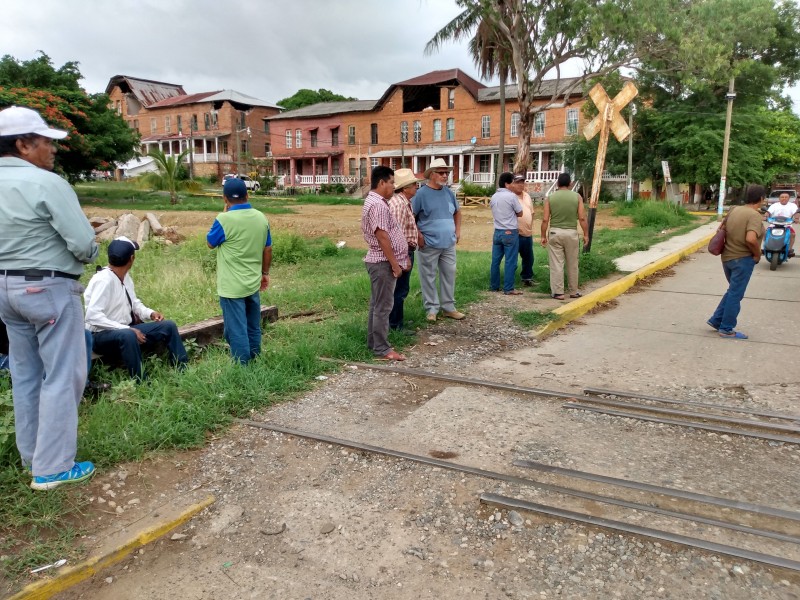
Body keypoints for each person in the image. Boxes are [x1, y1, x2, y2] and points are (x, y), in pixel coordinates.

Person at [0, 105, 98, 490]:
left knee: (25, 374)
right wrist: (90, 252)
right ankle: (54, 467)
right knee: (63, 374)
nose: (52, 149)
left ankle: (32, 457)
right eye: (45, 142)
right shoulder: (47, 184)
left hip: (5, 289)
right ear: (23, 144)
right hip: (49, 288)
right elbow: (82, 243)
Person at [85, 237, 188, 379]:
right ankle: (140, 379)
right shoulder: (103, 280)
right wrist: (127, 329)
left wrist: (150, 313)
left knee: (168, 326)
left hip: (126, 329)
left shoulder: (125, 277)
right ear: (131, 259)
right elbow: (92, 316)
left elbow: (134, 303)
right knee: (128, 335)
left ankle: (182, 368)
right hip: (100, 336)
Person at [207, 177, 272, 364]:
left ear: (225, 199)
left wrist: (224, 212)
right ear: (247, 194)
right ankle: (255, 359)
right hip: (253, 282)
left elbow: (210, 243)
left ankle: (243, 368)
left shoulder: (223, 220)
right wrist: (265, 273)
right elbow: (267, 249)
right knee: (252, 326)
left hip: (231, 287)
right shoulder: (261, 217)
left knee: (236, 330)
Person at [361, 166, 410, 361]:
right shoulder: (378, 205)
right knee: (383, 307)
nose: (393, 187)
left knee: (377, 304)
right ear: (382, 183)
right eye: (391, 183)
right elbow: (382, 237)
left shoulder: (375, 202)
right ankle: (381, 349)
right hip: (382, 263)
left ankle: (374, 343)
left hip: (380, 262)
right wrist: (395, 264)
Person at [707, 185, 765, 339]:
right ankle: (726, 328)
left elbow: (720, 229)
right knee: (735, 294)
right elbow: (751, 239)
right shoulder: (754, 215)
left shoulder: (734, 210)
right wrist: (757, 255)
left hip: (727, 258)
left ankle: (716, 320)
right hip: (742, 259)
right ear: (761, 199)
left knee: (732, 291)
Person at [412, 157, 464, 322]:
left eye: (446, 172)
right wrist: (419, 236)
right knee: (428, 276)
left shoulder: (449, 192)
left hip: (448, 243)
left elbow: (457, 212)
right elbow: (411, 217)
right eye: (441, 173)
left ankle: (449, 307)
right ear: (431, 174)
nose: (445, 175)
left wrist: (457, 230)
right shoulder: (420, 194)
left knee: (449, 274)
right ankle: (432, 309)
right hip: (429, 243)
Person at [541, 172, 589, 300]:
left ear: (557, 184)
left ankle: (558, 292)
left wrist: (543, 236)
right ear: (570, 184)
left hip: (555, 233)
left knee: (557, 263)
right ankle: (574, 291)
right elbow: (582, 218)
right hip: (571, 233)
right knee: (573, 263)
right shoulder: (577, 197)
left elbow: (545, 219)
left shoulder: (550, 198)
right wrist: (586, 234)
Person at [388, 168, 422, 332]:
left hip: (405, 250)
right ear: (405, 187)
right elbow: (397, 233)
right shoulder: (399, 205)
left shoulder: (401, 202)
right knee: (400, 289)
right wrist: (403, 257)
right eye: (414, 184)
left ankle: (396, 321)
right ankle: (395, 325)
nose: (417, 186)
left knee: (400, 289)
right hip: (403, 251)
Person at [489, 172, 524, 295]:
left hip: (497, 231)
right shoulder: (511, 197)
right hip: (510, 231)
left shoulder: (494, 196)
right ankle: (508, 288)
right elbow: (520, 213)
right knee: (510, 261)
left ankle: (494, 286)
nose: (514, 185)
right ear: (507, 184)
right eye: (513, 182)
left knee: (495, 261)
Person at [512, 174, 535, 286]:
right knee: (513, 259)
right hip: (515, 233)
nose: (521, 185)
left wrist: (530, 226)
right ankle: (510, 279)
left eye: (522, 182)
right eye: (518, 182)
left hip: (527, 233)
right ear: (512, 184)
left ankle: (527, 278)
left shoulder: (527, 196)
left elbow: (532, 212)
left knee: (529, 258)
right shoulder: (511, 197)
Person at [764, 191, 798, 256]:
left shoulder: (793, 205)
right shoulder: (774, 205)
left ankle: (789, 250)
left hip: (787, 225)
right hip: (774, 224)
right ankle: (766, 246)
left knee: (792, 234)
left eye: (786, 197)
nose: (784, 198)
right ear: (779, 198)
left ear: (789, 198)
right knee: (765, 233)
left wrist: (796, 219)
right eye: (782, 197)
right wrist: (765, 217)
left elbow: (796, 213)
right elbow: (768, 212)